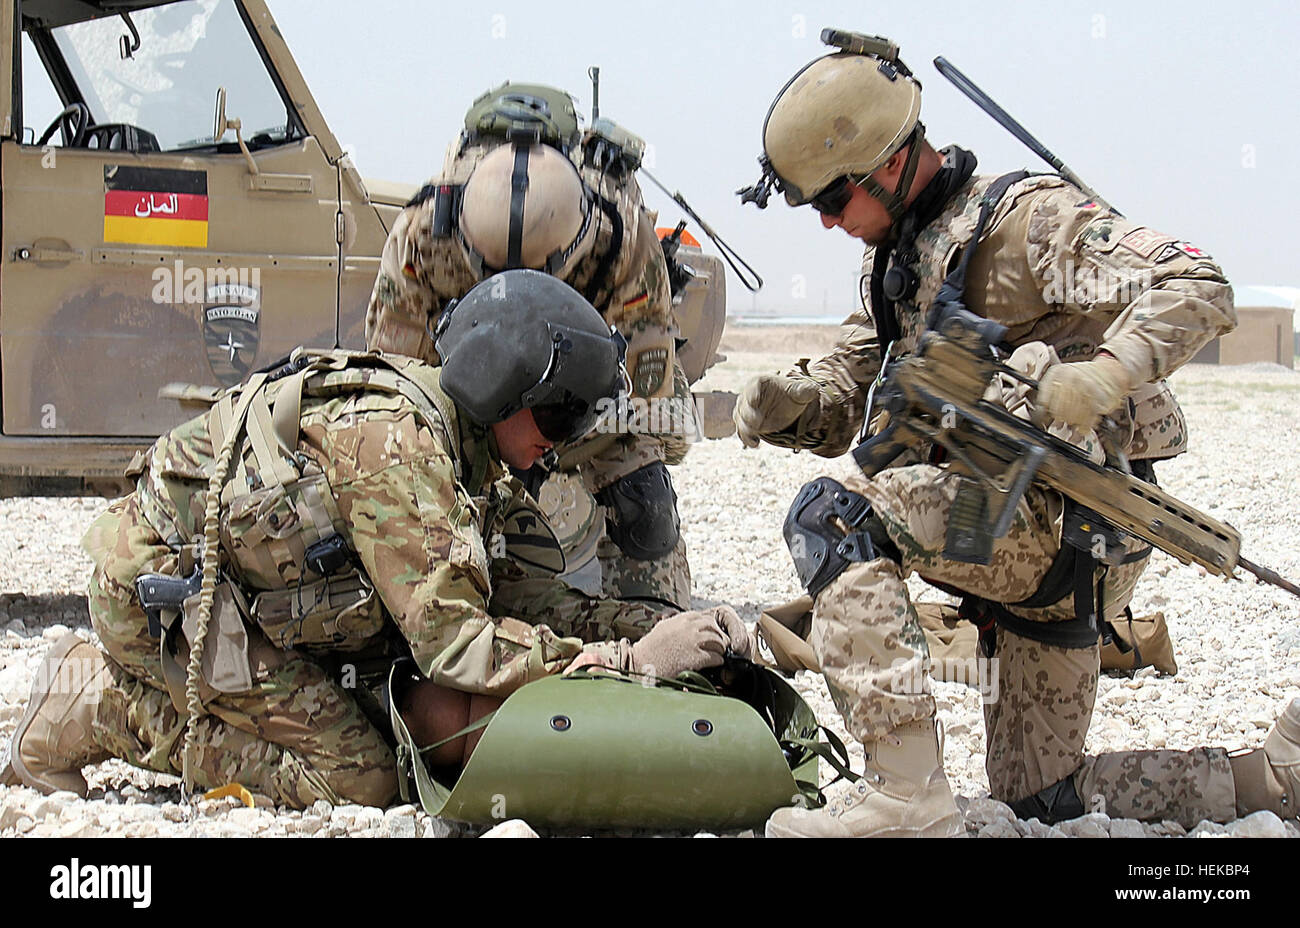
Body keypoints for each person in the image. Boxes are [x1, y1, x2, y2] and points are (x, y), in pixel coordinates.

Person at [733, 32, 1297, 837]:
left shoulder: (1026, 225)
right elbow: (864, 382)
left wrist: (1105, 372)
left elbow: (1196, 283)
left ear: (891, 164)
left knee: (835, 515)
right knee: (1041, 800)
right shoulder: (896, 259)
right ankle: (1265, 780)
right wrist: (794, 401)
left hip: (1065, 520)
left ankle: (904, 797)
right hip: (1009, 534)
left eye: (831, 200)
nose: (826, 224)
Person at [1, 270, 748, 809]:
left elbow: (531, 602)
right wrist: (617, 664)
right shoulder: (399, 451)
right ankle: (96, 707)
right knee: (360, 774)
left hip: (256, 599)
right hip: (168, 602)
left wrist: (664, 628)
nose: (564, 443)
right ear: (504, 393)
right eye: (559, 419)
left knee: (391, 717)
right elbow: (458, 646)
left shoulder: (470, 451)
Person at [365, 82, 694, 611]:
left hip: (589, 385)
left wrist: (552, 437)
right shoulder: (423, 238)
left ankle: (653, 632)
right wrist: (480, 452)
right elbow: (396, 385)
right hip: (473, 390)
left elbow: (646, 404)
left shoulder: (621, 242)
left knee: (645, 506)